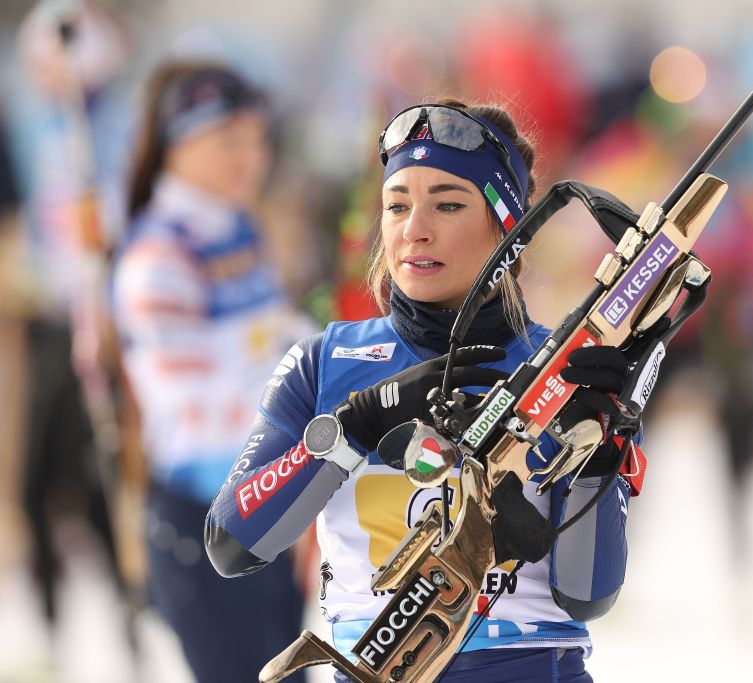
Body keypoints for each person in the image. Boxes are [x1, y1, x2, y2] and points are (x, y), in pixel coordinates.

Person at [206, 100, 637, 682]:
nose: (415, 229)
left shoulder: (560, 370)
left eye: (449, 204)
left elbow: (589, 594)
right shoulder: (326, 362)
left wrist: (601, 454)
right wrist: (354, 428)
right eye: (397, 206)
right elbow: (232, 543)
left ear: (507, 226)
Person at [111, 60, 313, 683]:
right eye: (229, 140)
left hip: (267, 509)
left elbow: (282, 335)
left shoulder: (237, 226)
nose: (249, 156)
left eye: (256, 137)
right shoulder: (157, 256)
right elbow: (196, 413)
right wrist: (314, 408)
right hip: (207, 525)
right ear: (179, 143)